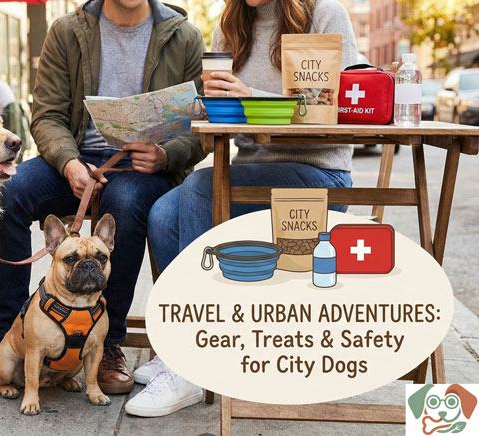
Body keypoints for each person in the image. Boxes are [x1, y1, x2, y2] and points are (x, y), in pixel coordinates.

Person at [0, 0, 206, 397]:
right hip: (75, 158)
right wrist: (68, 162)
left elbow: (200, 123)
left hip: (144, 166)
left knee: (123, 204)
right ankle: (6, 337)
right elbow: (47, 114)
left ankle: (106, 345)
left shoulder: (184, 36)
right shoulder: (68, 31)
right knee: (12, 193)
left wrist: (166, 154)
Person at [129, 0, 359, 418]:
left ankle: (194, 363)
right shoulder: (232, 25)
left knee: (201, 186)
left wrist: (251, 96)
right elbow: (225, 127)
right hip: (249, 176)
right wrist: (207, 107)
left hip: (319, 175)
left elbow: (338, 110)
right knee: (163, 211)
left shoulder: (324, 14)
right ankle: (185, 337)